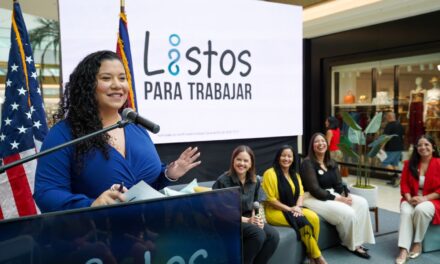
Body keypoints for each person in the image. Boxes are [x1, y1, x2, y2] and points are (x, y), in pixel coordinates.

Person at [34, 50, 201, 212]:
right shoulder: (63, 134)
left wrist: (169, 174)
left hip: (149, 234)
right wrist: (91, 205)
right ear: (87, 85)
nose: (117, 85)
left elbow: (146, 188)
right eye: (106, 78)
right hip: (94, 235)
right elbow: (46, 193)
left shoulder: (136, 129)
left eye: (122, 78)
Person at [300, 133, 375, 259]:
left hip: (331, 194)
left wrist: (346, 196)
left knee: (362, 202)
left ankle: (360, 240)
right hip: (313, 197)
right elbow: (315, 190)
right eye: (317, 142)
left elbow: (339, 185)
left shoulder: (331, 162)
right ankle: (352, 245)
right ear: (312, 146)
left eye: (323, 141)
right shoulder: (307, 163)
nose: (321, 144)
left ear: (327, 144)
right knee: (348, 212)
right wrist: (339, 199)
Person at [212, 145, 279, 264]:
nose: (241, 163)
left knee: (273, 236)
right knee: (258, 234)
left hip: (248, 218)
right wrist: (248, 221)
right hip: (227, 222)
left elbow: (256, 203)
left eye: (245, 160)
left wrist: (256, 218)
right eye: (238, 159)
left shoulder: (255, 180)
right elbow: (222, 212)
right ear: (233, 161)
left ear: (251, 164)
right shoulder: (222, 181)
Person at [262, 145, 327, 264]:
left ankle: (311, 254)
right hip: (275, 211)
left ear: (293, 159)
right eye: (283, 155)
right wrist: (290, 209)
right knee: (302, 221)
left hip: (293, 207)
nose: (286, 159)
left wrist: (298, 207)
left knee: (314, 218)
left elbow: (301, 194)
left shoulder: (295, 175)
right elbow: (270, 200)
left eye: (289, 156)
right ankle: (317, 257)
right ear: (278, 157)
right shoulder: (270, 174)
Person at [395, 135, 440, 264]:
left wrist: (424, 198)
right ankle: (403, 249)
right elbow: (404, 184)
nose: (423, 147)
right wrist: (409, 199)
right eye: (420, 145)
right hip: (411, 198)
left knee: (421, 209)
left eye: (426, 144)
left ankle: (417, 243)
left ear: (433, 147)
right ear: (416, 148)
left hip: (433, 199)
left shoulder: (439, 163)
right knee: (406, 211)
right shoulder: (409, 164)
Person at [382, 112, 404, 186]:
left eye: (386, 117)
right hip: (399, 147)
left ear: (389, 117)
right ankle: (394, 180)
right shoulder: (400, 125)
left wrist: (381, 147)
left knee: (385, 162)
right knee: (395, 164)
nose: (386, 119)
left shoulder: (389, 125)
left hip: (392, 148)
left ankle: (398, 177)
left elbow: (385, 138)